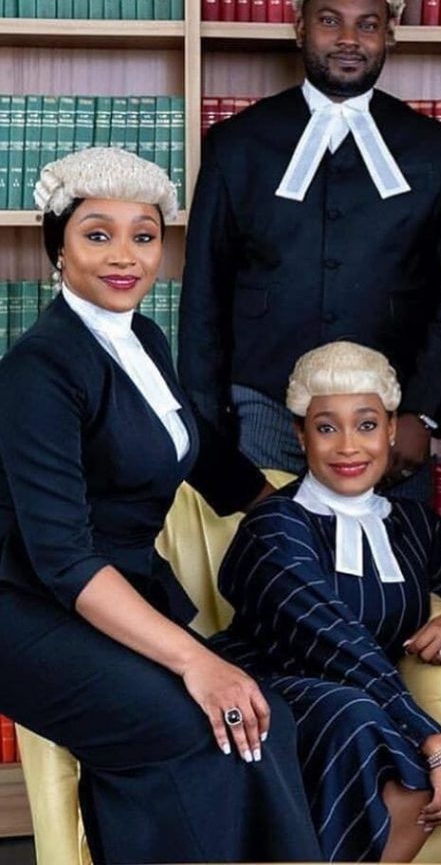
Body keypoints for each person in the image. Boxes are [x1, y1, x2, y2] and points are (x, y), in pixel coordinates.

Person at [0, 148, 322, 864]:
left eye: (143, 236)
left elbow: (196, 447)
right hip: (27, 608)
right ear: (58, 249)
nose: (125, 257)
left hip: (112, 593)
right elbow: (64, 560)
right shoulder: (37, 370)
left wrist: (293, 515)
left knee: (264, 717)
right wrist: (196, 662)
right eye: (98, 234)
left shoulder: (141, 337)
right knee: (196, 724)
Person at [180, 0, 441, 491]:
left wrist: (422, 411)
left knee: (390, 548)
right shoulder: (237, 143)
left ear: (389, 35)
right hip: (262, 406)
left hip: (387, 412)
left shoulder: (435, 148)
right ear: (300, 28)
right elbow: (205, 287)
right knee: (267, 544)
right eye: (329, 21)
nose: (349, 39)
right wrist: (206, 422)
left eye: (368, 24)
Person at [211, 340, 441, 862]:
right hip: (263, 696)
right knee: (360, 720)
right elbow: (336, 642)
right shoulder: (275, 524)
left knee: (395, 762)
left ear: (391, 430)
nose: (349, 446)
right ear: (300, 435)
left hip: (370, 706)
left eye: (366, 425)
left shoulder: (413, 524)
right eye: (327, 428)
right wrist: (434, 739)